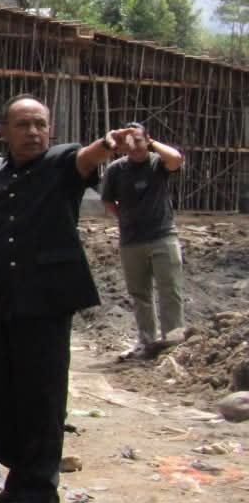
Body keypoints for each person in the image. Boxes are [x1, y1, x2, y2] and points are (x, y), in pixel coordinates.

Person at [0, 97, 136, 503]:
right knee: (6, 392)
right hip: (5, 299)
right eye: (23, 125)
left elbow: (89, 157)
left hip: (47, 301)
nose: (33, 132)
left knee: (42, 397)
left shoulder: (61, 164)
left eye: (40, 124)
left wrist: (109, 142)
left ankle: (39, 495)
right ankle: (17, 484)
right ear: (5, 132)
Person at [100, 122, 188, 358]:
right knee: (140, 294)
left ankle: (173, 341)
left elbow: (176, 159)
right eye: (129, 141)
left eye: (138, 140)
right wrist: (124, 218)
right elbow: (107, 200)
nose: (134, 145)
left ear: (148, 140)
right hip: (131, 240)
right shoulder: (116, 170)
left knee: (170, 290)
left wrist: (151, 143)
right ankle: (146, 342)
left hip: (163, 236)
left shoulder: (158, 163)